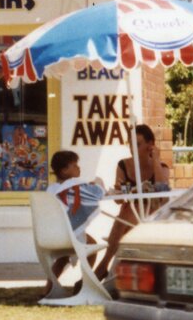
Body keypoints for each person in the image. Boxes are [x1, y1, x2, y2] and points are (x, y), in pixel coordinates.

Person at [99, 123, 171, 279]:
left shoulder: (162, 167)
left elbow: (163, 194)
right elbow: (120, 200)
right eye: (130, 144)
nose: (133, 149)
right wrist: (120, 189)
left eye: (137, 144)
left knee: (126, 213)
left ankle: (103, 265)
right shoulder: (124, 165)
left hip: (153, 217)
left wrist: (156, 160)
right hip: (130, 217)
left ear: (150, 145)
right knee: (126, 210)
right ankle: (106, 267)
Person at [46, 149, 106, 293]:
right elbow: (97, 193)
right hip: (68, 235)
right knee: (91, 246)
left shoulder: (51, 189)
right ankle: (84, 281)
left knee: (63, 258)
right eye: (74, 165)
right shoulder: (72, 186)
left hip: (52, 235)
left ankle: (47, 289)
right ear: (64, 171)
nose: (78, 167)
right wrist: (97, 182)